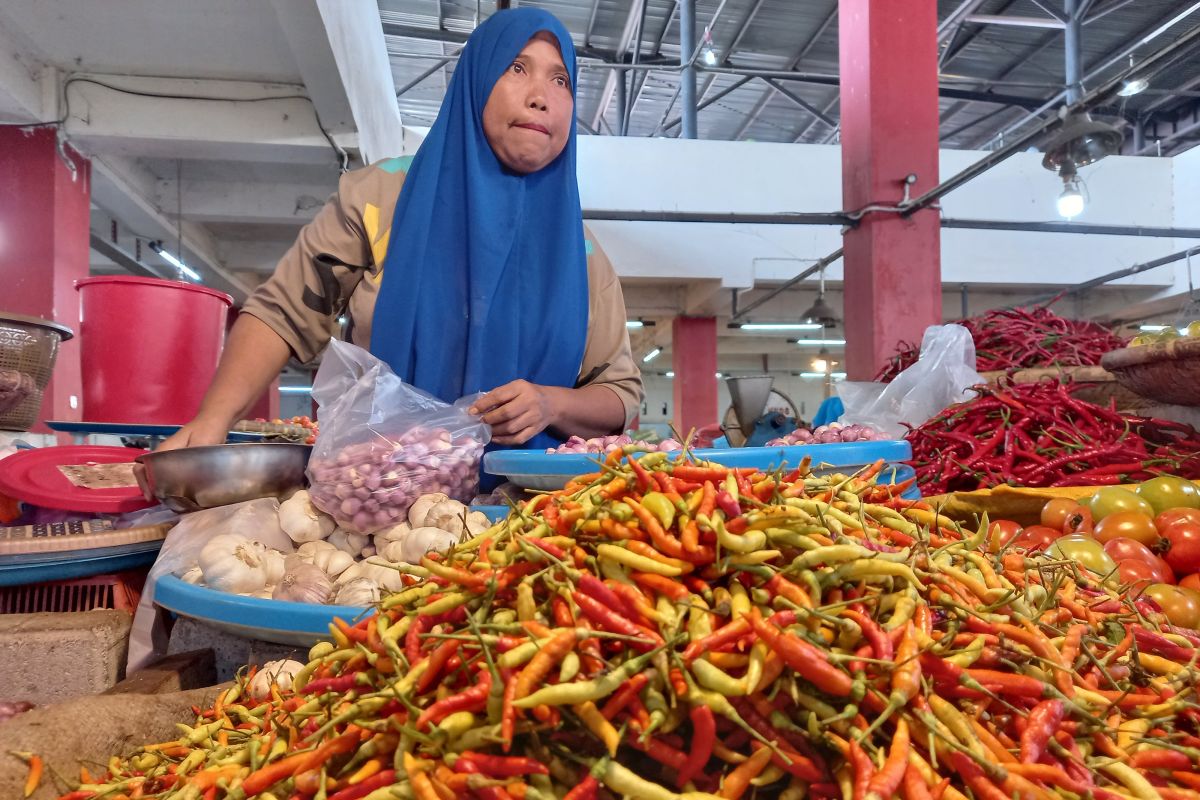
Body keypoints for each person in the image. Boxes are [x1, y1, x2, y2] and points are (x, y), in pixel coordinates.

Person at [161, 8, 642, 452]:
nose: (541, 98)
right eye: (517, 68)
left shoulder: (582, 257)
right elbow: (283, 313)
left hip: (532, 518)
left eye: (561, 80)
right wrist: (212, 419)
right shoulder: (382, 197)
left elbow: (620, 393)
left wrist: (551, 403)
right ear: (475, 81)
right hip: (381, 495)